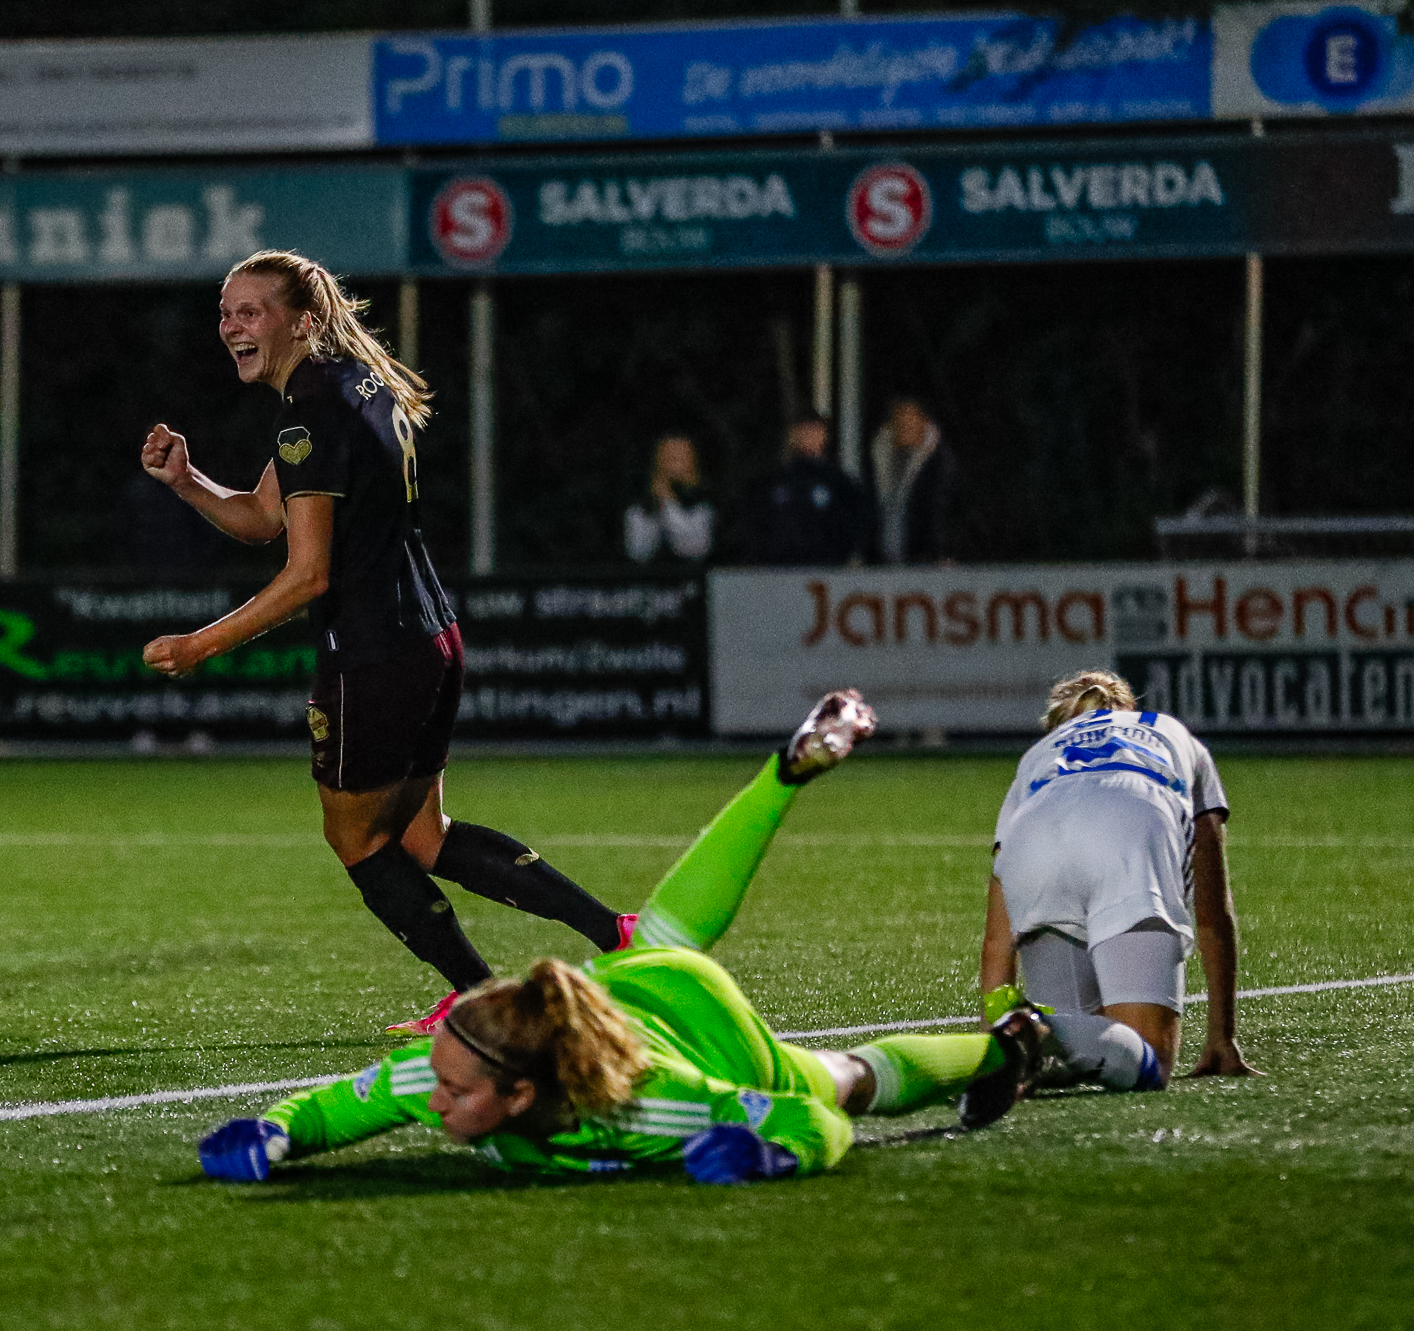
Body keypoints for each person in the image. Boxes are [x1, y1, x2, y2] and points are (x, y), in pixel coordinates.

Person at [197, 691, 1051, 1186]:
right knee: (665, 929)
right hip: (624, 985)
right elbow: (331, 1108)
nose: (433, 1101)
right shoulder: (449, 1065)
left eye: (455, 1091)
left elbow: (814, 1122)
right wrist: (273, 1133)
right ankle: (781, 776)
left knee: (844, 1079)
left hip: (705, 1027)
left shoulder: (653, 1101)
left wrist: (770, 1152)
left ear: (520, 1096)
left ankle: (1002, 1049)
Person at [138, 250, 632, 1035]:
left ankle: (478, 998)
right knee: (423, 835)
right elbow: (265, 517)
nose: (231, 326)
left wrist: (202, 644)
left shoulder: (310, 410)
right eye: (225, 312)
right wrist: (190, 481)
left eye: (250, 311)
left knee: (356, 838)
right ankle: (618, 934)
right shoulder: (352, 384)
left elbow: (307, 574)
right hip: (430, 636)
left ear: (301, 320)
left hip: (373, 654)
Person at [978, 670, 1257, 1091]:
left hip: (1035, 846)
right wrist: (1221, 1035)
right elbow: (1212, 910)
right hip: (1129, 830)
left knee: (1068, 1047)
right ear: (1127, 709)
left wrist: (988, 1050)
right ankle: (1039, 1029)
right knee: (1146, 1059)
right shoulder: (1170, 732)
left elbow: (997, 940)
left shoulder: (1038, 755)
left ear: (1059, 724)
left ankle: (1025, 1038)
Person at [745, 411, 869, 566]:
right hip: (781, 570)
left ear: (825, 436)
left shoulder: (840, 483)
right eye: (805, 431)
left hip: (828, 570)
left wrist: (838, 556)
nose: (810, 437)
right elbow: (758, 525)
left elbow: (856, 524)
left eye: (816, 431)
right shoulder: (775, 481)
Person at [868, 396, 957, 565]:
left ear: (924, 421)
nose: (905, 425)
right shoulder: (876, 459)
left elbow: (946, 516)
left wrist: (940, 554)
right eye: (899, 419)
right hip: (882, 567)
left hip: (925, 565)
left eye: (911, 417)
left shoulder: (942, 465)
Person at [623, 434, 715, 564]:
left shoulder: (704, 507)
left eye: (682, 460)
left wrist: (669, 504)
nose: (675, 468)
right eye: (670, 459)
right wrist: (659, 505)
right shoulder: (639, 509)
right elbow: (638, 552)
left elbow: (694, 549)